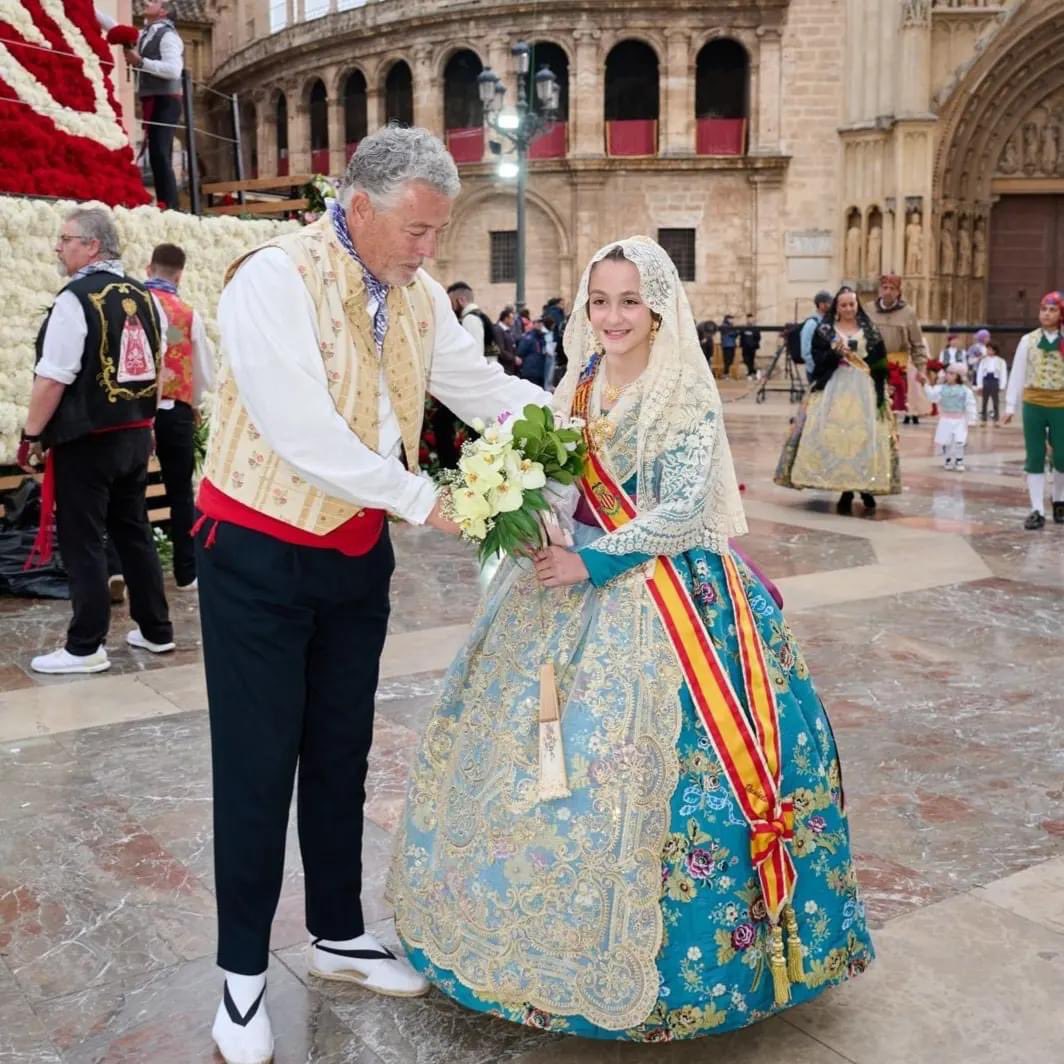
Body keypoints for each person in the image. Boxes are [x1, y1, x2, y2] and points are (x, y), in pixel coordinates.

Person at [390, 237, 873, 1042]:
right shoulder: (577, 380)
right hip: (563, 582)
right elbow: (565, 475)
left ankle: (683, 971)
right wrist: (532, 512)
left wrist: (592, 562)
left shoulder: (683, 389)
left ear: (658, 309)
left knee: (650, 771)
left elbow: (684, 510)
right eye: (600, 301)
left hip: (668, 598)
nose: (612, 317)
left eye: (628, 303)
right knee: (538, 756)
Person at [194, 127, 548, 1064]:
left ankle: (339, 931)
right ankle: (239, 980)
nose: (430, 249)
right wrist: (425, 499)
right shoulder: (274, 277)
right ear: (358, 205)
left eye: (438, 232)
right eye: (418, 230)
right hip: (259, 553)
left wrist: (579, 419)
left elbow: (479, 388)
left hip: (353, 559)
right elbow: (301, 430)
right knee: (259, 763)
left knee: (343, 749)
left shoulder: (419, 297)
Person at [19, 205, 174, 675]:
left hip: (87, 439)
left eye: (66, 238)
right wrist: (146, 425)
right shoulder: (147, 298)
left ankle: (85, 646)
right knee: (133, 531)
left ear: (92, 245)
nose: (58, 247)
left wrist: (31, 435)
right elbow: (157, 368)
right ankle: (156, 630)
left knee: (83, 538)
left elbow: (52, 378)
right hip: (132, 435)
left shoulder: (76, 298)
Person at [775, 286, 898, 515]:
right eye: (844, 305)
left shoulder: (869, 330)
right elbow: (817, 358)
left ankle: (866, 487)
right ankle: (846, 490)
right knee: (835, 437)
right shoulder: (825, 330)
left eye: (852, 304)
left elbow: (879, 359)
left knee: (864, 436)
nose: (849, 308)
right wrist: (834, 354)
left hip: (863, 388)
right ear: (837, 308)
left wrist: (881, 390)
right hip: (834, 386)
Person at [142, 242, 214, 589]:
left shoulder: (130, 306)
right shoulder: (185, 314)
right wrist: (193, 399)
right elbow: (202, 372)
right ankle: (188, 571)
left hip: (131, 413)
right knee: (180, 493)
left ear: (148, 268)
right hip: (175, 412)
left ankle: (122, 569)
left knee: (125, 493)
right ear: (180, 274)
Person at [108, 1, 184, 210]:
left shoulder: (168, 35)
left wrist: (141, 62)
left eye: (154, 1)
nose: (148, 2)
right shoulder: (147, 33)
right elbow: (116, 27)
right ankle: (166, 205)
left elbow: (173, 70)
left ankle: (170, 206)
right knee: (158, 154)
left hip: (166, 100)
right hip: (154, 99)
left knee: (160, 152)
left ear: (163, 11)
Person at [1003, 291, 1064, 530]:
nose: (1046, 314)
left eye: (1052, 310)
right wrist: (1010, 405)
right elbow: (1017, 372)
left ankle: (1059, 499)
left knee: (1062, 456)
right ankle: (1037, 509)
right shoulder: (1028, 340)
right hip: (1034, 403)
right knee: (1035, 455)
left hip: (1060, 403)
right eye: (1043, 309)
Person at [865, 273, 928, 425]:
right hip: (873, 364)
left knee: (892, 408)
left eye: (892, 288)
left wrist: (921, 369)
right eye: (884, 287)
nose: (887, 292)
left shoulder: (908, 313)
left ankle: (890, 441)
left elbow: (917, 344)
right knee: (872, 405)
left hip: (897, 366)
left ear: (898, 291)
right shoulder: (868, 309)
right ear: (879, 290)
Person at [924, 362, 977, 471]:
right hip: (946, 418)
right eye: (947, 373)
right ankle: (948, 459)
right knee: (946, 440)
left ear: (958, 376)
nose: (948, 375)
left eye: (952, 373)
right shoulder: (941, 388)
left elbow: (970, 404)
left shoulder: (965, 390)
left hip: (960, 419)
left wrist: (971, 419)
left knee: (959, 440)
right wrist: (925, 384)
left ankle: (959, 460)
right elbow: (932, 396)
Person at [799, 291, 833, 381]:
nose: (832, 305)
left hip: (827, 370)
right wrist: (815, 368)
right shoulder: (811, 323)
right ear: (821, 305)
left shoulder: (828, 322)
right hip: (816, 371)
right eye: (829, 302)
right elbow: (805, 351)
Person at [975, 340, 1008, 424]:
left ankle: (996, 418)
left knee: (995, 401)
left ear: (994, 350)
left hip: (994, 380)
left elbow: (1003, 374)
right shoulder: (983, 360)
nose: (988, 351)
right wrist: (979, 385)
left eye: (990, 349)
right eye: (987, 349)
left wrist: (1002, 386)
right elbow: (980, 373)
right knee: (984, 401)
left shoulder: (1001, 361)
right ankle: (983, 418)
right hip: (986, 380)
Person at [516, 315, 548, 386]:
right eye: (538, 322)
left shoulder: (542, 337)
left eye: (541, 322)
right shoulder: (528, 337)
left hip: (540, 371)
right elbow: (520, 352)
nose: (540, 324)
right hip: (530, 371)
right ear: (533, 324)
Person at [493, 305, 519, 374]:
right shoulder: (498, 330)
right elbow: (501, 350)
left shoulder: (507, 330)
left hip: (509, 366)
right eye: (512, 318)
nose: (513, 321)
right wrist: (514, 358)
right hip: (503, 366)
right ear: (506, 319)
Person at [739, 313, 761, 379]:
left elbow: (758, 337)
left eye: (751, 319)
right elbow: (741, 336)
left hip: (752, 347)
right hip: (745, 347)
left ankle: (751, 373)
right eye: (748, 319)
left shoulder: (755, 328)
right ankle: (753, 371)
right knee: (745, 360)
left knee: (751, 360)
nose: (749, 320)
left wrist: (754, 343)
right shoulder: (744, 328)